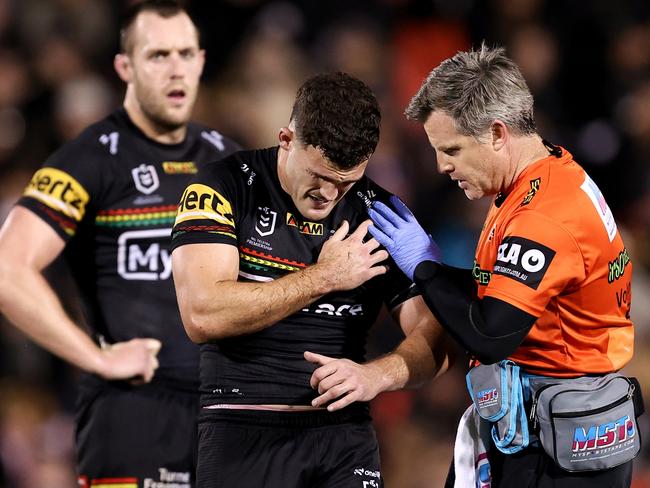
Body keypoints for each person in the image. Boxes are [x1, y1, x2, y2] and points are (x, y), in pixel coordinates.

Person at [368, 44, 637, 487]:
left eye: (451, 148)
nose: (441, 166)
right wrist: (430, 266)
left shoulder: (544, 214)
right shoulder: (541, 176)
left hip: (559, 452)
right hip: (543, 426)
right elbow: (497, 293)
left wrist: (426, 268)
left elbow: (491, 332)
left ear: (496, 133)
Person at [170, 72, 452, 488]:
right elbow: (202, 315)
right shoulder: (221, 188)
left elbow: (434, 340)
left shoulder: (380, 215)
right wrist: (323, 277)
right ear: (287, 139)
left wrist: (375, 375)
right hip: (242, 428)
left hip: (343, 437)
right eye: (319, 175)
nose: (329, 194)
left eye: (346, 182)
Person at [0, 1, 239, 487]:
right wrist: (95, 357)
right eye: (158, 56)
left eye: (186, 54)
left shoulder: (230, 160)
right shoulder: (87, 160)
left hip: (226, 415)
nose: (175, 69)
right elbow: (8, 270)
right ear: (124, 67)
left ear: (201, 60)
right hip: (134, 414)